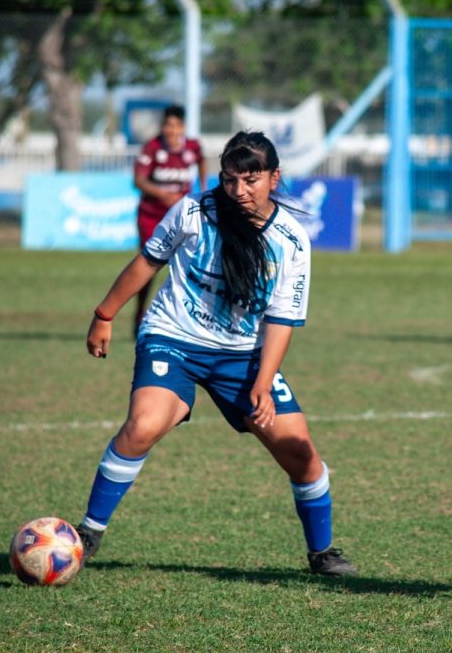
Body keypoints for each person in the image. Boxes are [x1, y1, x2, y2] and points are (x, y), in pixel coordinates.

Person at [76, 131, 356, 577]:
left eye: (251, 180)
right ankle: (88, 533)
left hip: (243, 355)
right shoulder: (193, 211)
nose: (238, 190)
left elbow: (281, 320)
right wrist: (104, 314)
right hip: (174, 337)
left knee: (301, 453)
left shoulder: (291, 241)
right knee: (144, 424)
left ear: (274, 178)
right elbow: (148, 261)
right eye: (229, 179)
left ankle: (322, 553)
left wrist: (262, 383)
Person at [133, 105, 208, 337]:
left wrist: (203, 188)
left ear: (183, 127)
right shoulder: (152, 148)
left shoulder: (193, 147)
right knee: (149, 265)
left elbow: (202, 160)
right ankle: (140, 314)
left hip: (181, 217)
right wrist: (163, 194)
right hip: (152, 215)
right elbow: (139, 180)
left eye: (176, 125)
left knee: (186, 264)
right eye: (168, 125)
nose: (171, 130)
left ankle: (181, 319)